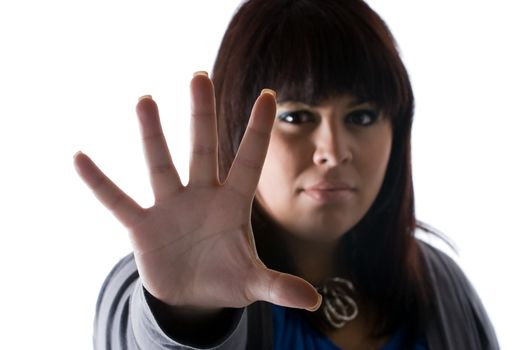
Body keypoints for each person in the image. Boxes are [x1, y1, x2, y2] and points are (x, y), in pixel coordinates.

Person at [74, 0, 499, 349]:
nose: (333, 152)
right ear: (234, 128)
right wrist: (183, 318)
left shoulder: (440, 283)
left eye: (363, 116)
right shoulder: (161, 277)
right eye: (297, 116)